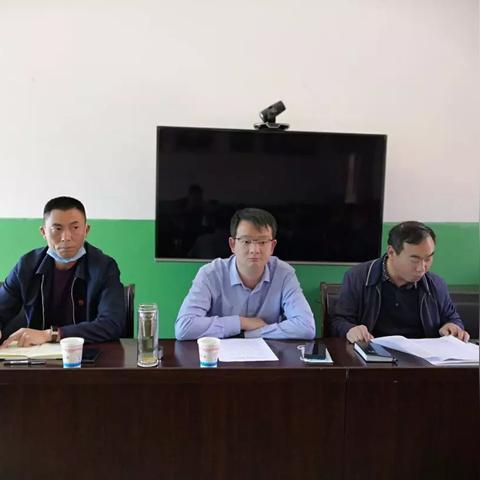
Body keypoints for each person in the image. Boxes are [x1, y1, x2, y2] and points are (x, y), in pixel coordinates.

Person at [0, 196, 125, 347]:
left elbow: (112, 324)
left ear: (86, 230)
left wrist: (52, 334)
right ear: (43, 232)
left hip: (87, 355)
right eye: (57, 229)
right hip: (35, 356)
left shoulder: (104, 267)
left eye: (75, 228)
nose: (66, 237)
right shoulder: (26, 266)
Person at [175, 208, 315, 340]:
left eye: (262, 242)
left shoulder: (284, 274)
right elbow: (184, 327)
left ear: (272, 246)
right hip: (219, 354)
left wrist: (250, 334)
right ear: (233, 245)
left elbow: (306, 327)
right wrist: (242, 322)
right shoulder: (210, 274)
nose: (254, 250)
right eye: (246, 241)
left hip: (268, 354)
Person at [329, 221, 470, 343]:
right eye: (414, 260)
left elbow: (453, 319)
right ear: (391, 252)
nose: (422, 268)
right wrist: (350, 329)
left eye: (428, 258)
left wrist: (452, 327)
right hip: (374, 356)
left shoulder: (435, 284)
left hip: (422, 360)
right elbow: (338, 321)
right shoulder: (358, 277)